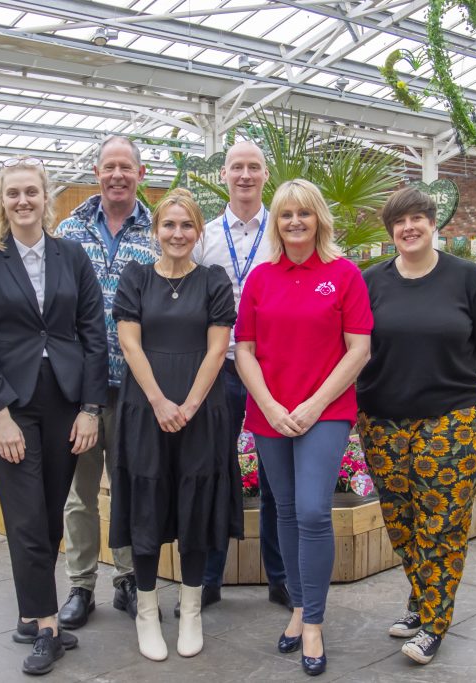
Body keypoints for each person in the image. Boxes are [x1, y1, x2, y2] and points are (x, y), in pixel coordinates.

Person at [0, 157, 107, 676]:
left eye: (32, 192)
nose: (23, 201)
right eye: (13, 193)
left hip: (64, 400)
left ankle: (30, 610)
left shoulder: (72, 257)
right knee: (25, 514)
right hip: (10, 403)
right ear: (2, 201)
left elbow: (94, 335)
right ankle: (47, 626)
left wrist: (91, 408)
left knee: (48, 513)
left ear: (47, 199)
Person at [355, 186, 476, 665]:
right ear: (390, 232)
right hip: (382, 418)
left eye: (418, 218)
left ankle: (434, 624)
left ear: (433, 223)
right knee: (402, 521)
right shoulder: (371, 281)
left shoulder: (465, 277)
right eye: (400, 222)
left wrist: (449, 375)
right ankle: (420, 601)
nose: (409, 228)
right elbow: (355, 341)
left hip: (451, 417)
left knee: (441, 523)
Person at [234, 179, 372, 676]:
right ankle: (297, 608)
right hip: (270, 413)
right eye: (286, 215)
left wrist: (313, 405)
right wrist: (269, 405)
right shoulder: (260, 278)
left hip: (325, 412)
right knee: (286, 512)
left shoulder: (344, 275)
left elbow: (359, 349)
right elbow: (244, 351)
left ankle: (312, 620)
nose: (295, 222)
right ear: (276, 222)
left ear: (319, 220)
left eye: (304, 214)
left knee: (314, 511)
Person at [109, 189, 242, 661]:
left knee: (196, 501)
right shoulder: (136, 277)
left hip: (202, 410)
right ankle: (147, 611)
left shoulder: (213, 280)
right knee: (146, 501)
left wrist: (188, 404)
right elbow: (130, 344)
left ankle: (190, 610)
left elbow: (217, 348)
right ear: (156, 231)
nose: (178, 234)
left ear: (198, 231)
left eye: (187, 226)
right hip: (147, 408)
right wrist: (161, 402)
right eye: (169, 225)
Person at [56, 135, 157, 629]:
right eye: (109, 166)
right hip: (79, 393)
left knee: (129, 489)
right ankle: (79, 585)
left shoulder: (159, 231)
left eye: (126, 167)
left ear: (141, 173)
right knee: (79, 492)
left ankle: (129, 579)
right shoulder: (68, 230)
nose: (117, 174)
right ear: (96, 172)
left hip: (138, 389)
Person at [190, 140, 290, 613]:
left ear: (264, 175)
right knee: (215, 471)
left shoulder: (286, 232)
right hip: (221, 369)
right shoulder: (205, 236)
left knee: (275, 476)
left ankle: (280, 577)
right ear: (224, 176)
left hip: (274, 369)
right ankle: (209, 578)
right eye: (237, 167)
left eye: (253, 167)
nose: (245, 175)